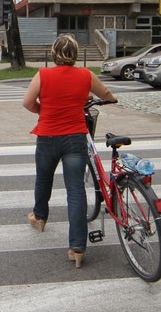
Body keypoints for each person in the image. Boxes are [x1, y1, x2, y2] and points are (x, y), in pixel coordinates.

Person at [22, 34, 118, 268]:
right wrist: (111, 98)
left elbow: (27, 102)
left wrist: (43, 111)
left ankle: (40, 217)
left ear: (54, 54)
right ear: (75, 54)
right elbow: (105, 93)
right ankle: (77, 247)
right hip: (75, 138)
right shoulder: (85, 75)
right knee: (75, 191)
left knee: (43, 179)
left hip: (46, 137)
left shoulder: (43, 75)